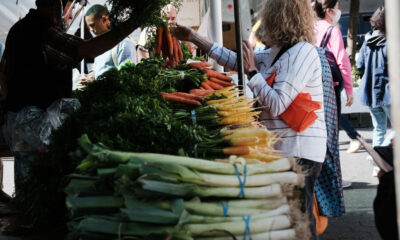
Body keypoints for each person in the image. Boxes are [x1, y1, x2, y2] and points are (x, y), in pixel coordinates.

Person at [174, 0, 326, 238]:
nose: (263, 24)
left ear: (279, 20)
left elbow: (276, 104)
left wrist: (253, 72)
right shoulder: (276, 52)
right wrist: (194, 37)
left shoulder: (303, 53)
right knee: (286, 221)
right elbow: (235, 61)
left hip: (299, 151)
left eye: (267, 18)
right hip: (281, 150)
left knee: (300, 221)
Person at [0, 0, 140, 195]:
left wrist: (12, 102)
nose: (72, 13)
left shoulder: (18, 28)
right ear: (59, 6)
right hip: (37, 128)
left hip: (19, 123)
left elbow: (3, 70)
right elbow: (89, 48)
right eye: (71, 7)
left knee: (28, 187)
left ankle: (27, 217)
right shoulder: (46, 32)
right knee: (41, 188)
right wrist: (133, 23)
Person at [312, 0, 363, 156]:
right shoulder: (332, 31)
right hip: (330, 86)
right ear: (329, 11)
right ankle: (332, 176)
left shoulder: (308, 28)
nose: (338, 11)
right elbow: (342, 61)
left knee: (315, 129)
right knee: (331, 130)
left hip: (311, 83)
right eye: (337, 8)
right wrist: (349, 89)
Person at [357, 6, 392, 175]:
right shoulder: (392, 41)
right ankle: (382, 158)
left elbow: (360, 65)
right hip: (388, 93)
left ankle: (378, 164)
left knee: (379, 128)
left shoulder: (367, 40)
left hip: (370, 93)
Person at [85, 5, 137, 79]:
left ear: (104, 19)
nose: (90, 29)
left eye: (92, 25)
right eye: (89, 26)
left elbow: (126, 77)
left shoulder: (124, 43)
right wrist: (91, 78)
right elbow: (101, 71)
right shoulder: (99, 45)